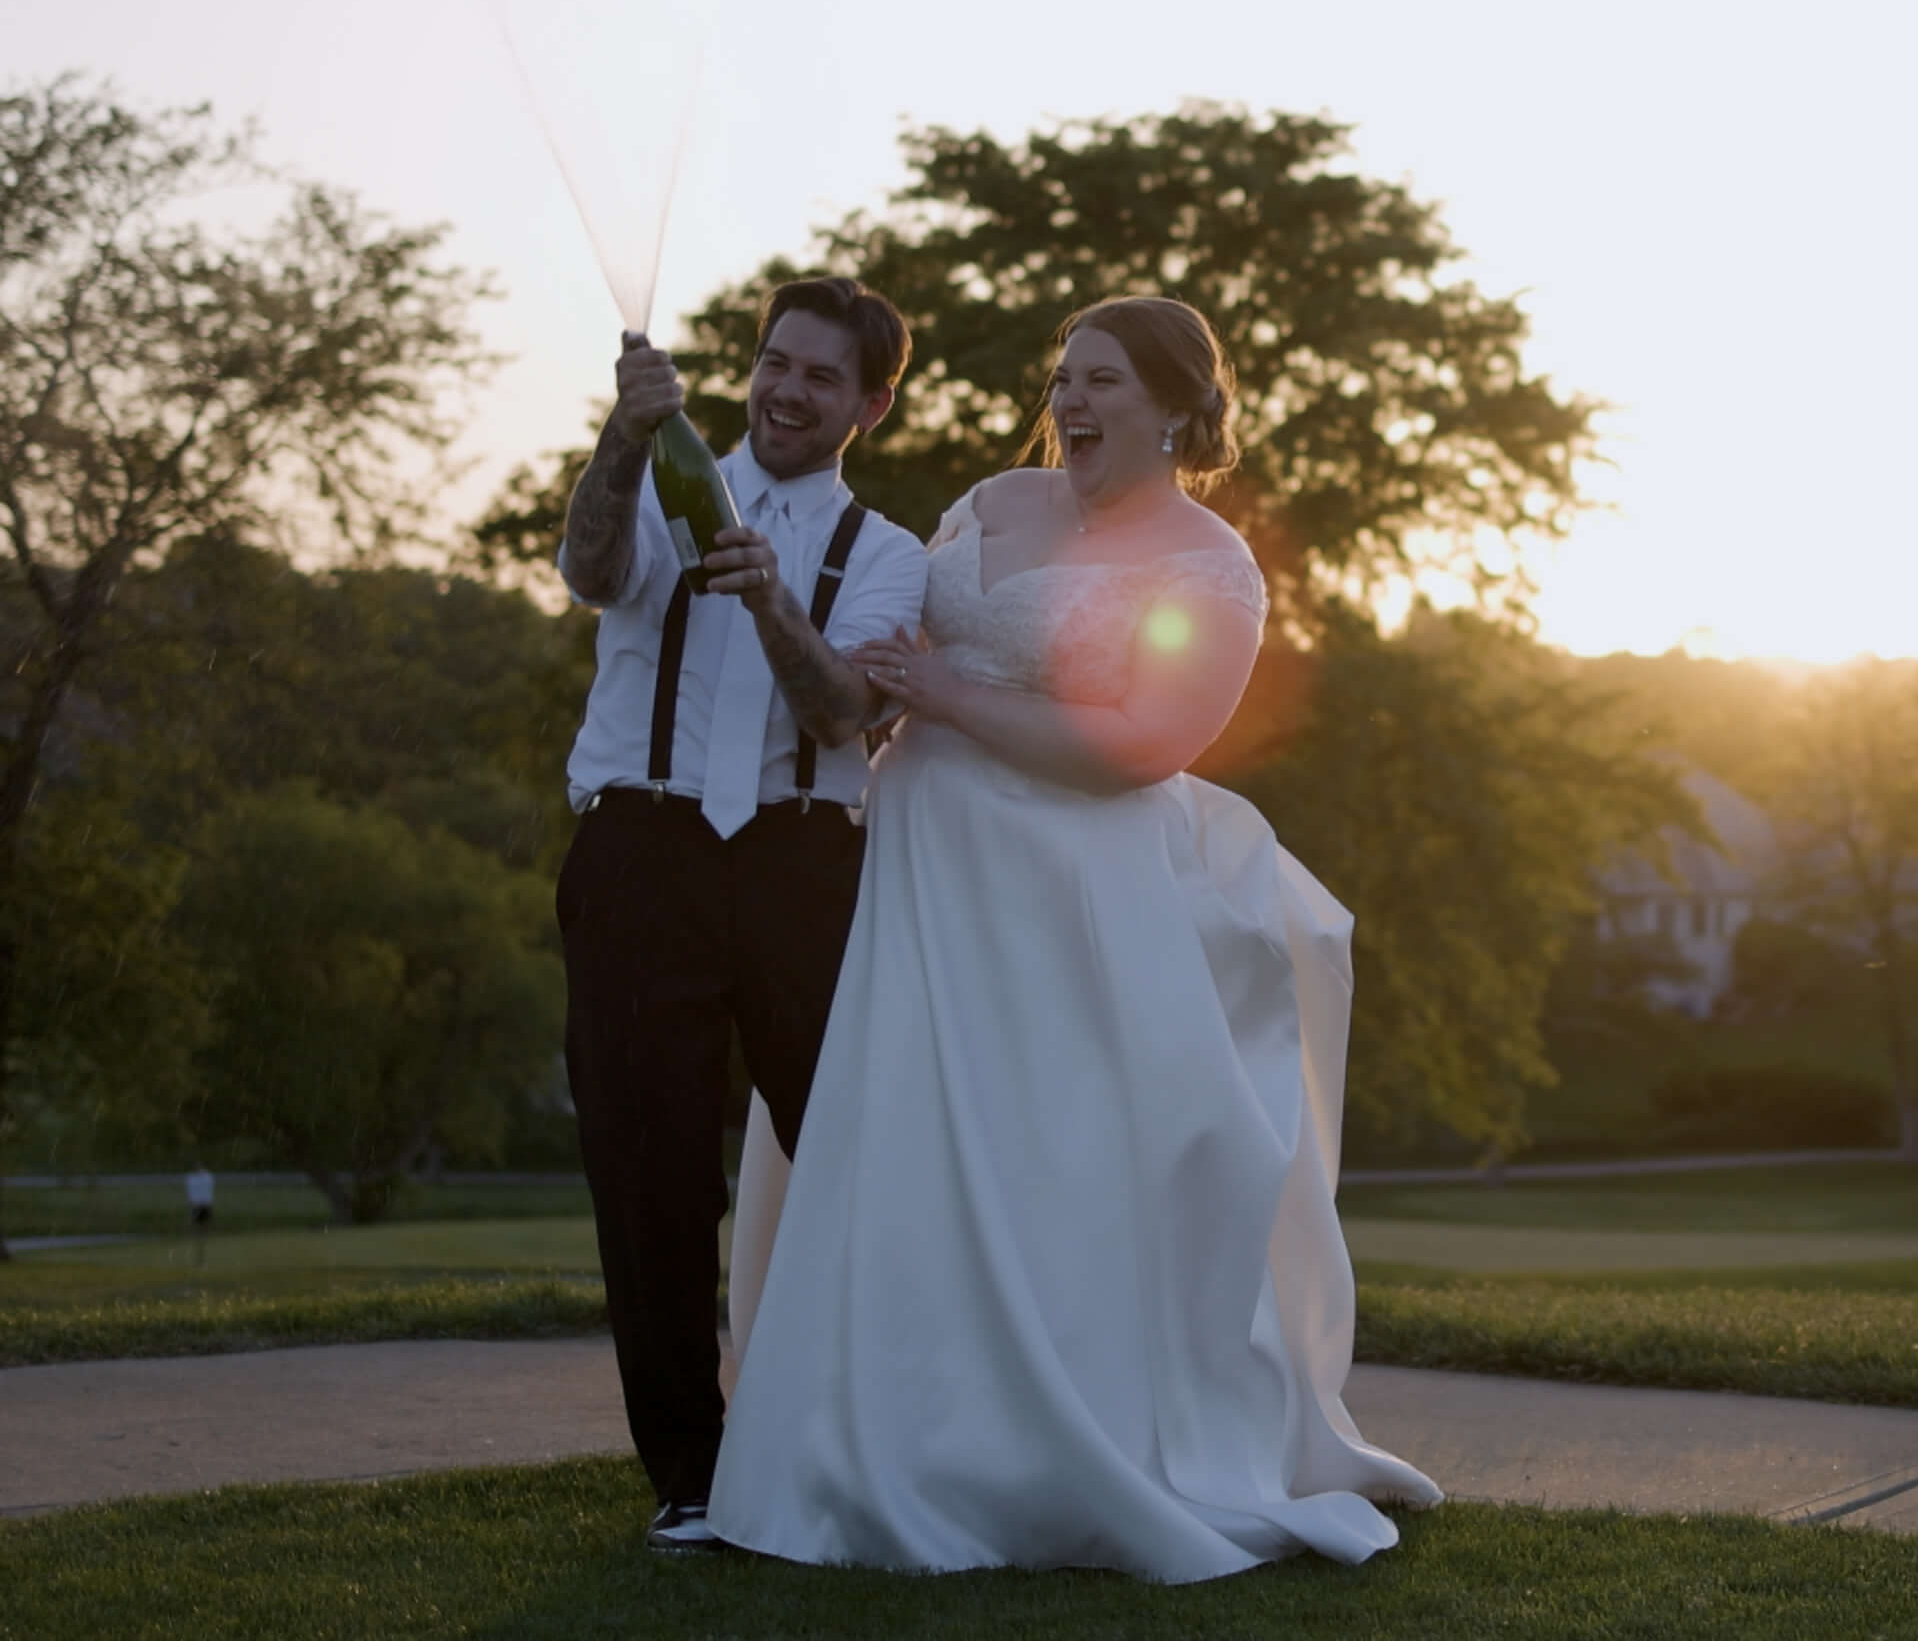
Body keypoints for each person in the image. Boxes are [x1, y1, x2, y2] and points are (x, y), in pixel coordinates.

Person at [708, 296, 1435, 1583]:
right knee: (899, 1141)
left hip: (1072, 893)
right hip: (916, 863)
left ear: (1174, 407)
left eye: (1102, 380)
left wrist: (948, 693)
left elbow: (1145, 747)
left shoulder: (1210, 567)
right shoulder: (990, 500)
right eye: (1064, 378)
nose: (1071, 402)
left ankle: (1062, 1442)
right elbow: (891, 649)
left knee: (1053, 1163)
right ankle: (866, 1432)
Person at [552, 276, 928, 1555]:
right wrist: (619, 442)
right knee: (647, 1170)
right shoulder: (667, 478)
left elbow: (842, 714)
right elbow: (590, 571)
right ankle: (690, 1475)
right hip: (639, 850)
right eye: (777, 362)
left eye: (823, 376)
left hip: (802, 868)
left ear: (870, 404)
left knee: (845, 1159)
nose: (786, 390)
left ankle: (846, 1435)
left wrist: (771, 596)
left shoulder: (887, 554)